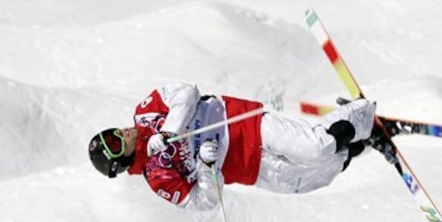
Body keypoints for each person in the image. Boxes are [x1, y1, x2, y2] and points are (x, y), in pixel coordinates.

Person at [88, 81, 379, 211]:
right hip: (248, 168)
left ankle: (363, 113)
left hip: (241, 124)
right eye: (114, 142)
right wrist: (207, 168)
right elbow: (205, 202)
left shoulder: (146, 113)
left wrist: (168, 130)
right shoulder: (158, 178)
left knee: (316, 148)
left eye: (110, 132)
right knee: (312, 179)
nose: (120, 132)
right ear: (120, 161)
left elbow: (187, 92)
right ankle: (360, 143)